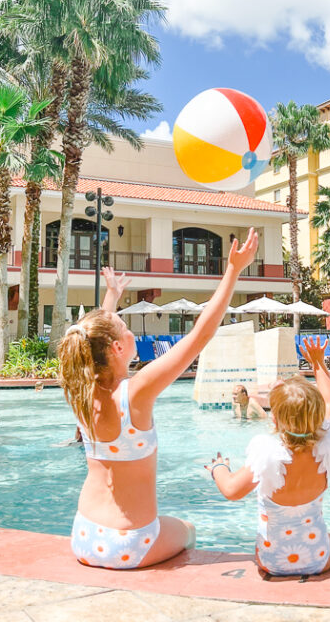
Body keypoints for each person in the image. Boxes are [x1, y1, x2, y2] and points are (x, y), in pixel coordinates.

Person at [60, 236, 260, 570]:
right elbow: (200, 335)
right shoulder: (136, 392)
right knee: (189, 531)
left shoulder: (81, 393)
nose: (132, 334)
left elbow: (90, 340)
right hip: (129, 544)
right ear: (116, 349)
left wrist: (112, 296)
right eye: (125, 328)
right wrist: (232, 271)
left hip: (83, 535)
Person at [206, 337, 330, 577]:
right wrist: (317, 363)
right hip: (318, 558)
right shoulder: (327, 446)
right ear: (318, 417)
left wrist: (218, 468)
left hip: (271, 560)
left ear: (274, 419)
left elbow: (231, 490)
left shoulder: (268, 457)